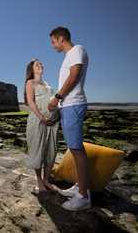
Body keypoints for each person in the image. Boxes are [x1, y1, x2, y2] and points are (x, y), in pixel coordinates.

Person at [48, 26, 90, 211]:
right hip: (67, 106)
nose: (52, 45)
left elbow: (74, 75)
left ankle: (83, 196)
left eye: (53, 41)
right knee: (74, 149)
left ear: (61, 38)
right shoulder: (69, 55)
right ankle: (81, 187)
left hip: (73, 104)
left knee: (77, 150)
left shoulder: (76, 50)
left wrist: (56, 97)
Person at [24, 59, 60, 194]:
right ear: (31, 69)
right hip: (38, 121)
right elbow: (31, 102)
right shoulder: (30, 82)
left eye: (41, 64)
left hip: (52, 123)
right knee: (38, 150)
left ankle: (46, 180)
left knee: (51, 151)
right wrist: (42, 118)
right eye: (37, 65)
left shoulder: (47, 84)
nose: (40, 66)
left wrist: (56, 116)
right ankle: (39, 182)